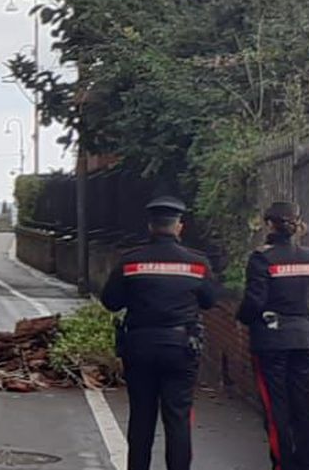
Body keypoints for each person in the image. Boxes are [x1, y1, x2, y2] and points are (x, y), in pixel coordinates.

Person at [101, 196, 217, 470]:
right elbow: (210, 301)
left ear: (151, 226)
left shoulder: (131, 261)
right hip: (180, 348)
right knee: (177, 418)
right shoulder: (198, 263)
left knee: (141, 418)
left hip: (140, 347)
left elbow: (111, 301)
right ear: (179, 226)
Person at [237, 201, 309, 470]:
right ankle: (306, 463)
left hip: (271, 341)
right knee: (303, 403)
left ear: (269, 224)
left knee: (276, 407)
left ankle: (282, 464)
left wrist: (242, 318)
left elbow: (255, 302)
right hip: (303, 337)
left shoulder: (262, 258)